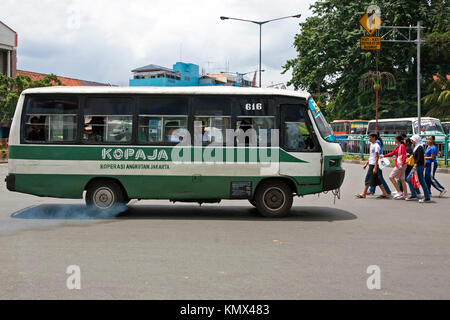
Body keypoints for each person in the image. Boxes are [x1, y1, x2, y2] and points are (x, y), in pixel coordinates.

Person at [356, 133, 390, 199]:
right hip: (371, 163)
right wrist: (366, 164)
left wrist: (375, 167)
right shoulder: (372, 145)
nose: (369, 139)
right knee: (377, 180)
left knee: (368, 179)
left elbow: (377, 157)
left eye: (370, 137)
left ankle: (363, 194)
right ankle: (385, 193)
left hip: (374, 165)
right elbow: (371, 156)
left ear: (374, 138)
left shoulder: (376, 146)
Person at [381, 135, 408, 199]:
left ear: (398, 140)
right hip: (400, 164)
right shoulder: (397, 146)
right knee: (402, 179)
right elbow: (392, 153)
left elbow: (404, 155)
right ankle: (405, 195)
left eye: (395, 139)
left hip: (400, 165)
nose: (394, 140)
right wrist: (384, 156)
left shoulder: (402, 146)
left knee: (391, 177)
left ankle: (399, 192)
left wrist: (401, 164)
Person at [406, 135, 431, 203]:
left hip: (418, 166)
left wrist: (414, 166)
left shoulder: (419, 147)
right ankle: (426, 196)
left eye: (413, 140)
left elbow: (419, 158)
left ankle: (416, 194)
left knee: (409, 179)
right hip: (419, 166)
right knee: (421, 181)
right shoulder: (417, 146)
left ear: (416, 140)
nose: (412, 141)